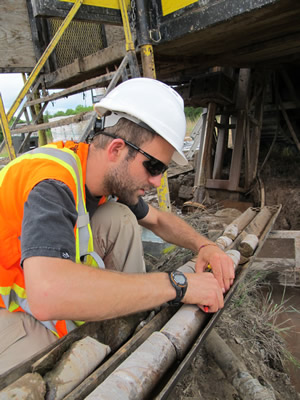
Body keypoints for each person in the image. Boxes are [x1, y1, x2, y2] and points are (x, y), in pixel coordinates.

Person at [0, 78, 235, 374]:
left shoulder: (98, 177)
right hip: (12, 303)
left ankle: (127, 323)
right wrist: (178, 286)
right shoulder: (51, 183)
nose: (157, 181)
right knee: (54, 373)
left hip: (35, 280)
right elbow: (47, 294)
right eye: (154, 167)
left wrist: (206, 246)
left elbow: (159, 219)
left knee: (119, 217)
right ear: (116, 149)